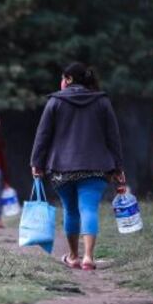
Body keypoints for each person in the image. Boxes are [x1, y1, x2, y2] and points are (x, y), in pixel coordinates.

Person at [30, 62, 125, 270]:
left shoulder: (54, 102)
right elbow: (113, 137)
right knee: (89, 208)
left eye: (63, 78)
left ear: (69, 79)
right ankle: (89, 258)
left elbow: (42, 136)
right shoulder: (102, 101)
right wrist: (118, 166)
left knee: (71, 210)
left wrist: (37, 163)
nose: (61, 82)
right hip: (97, 166)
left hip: (62, 169)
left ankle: (73, 256)